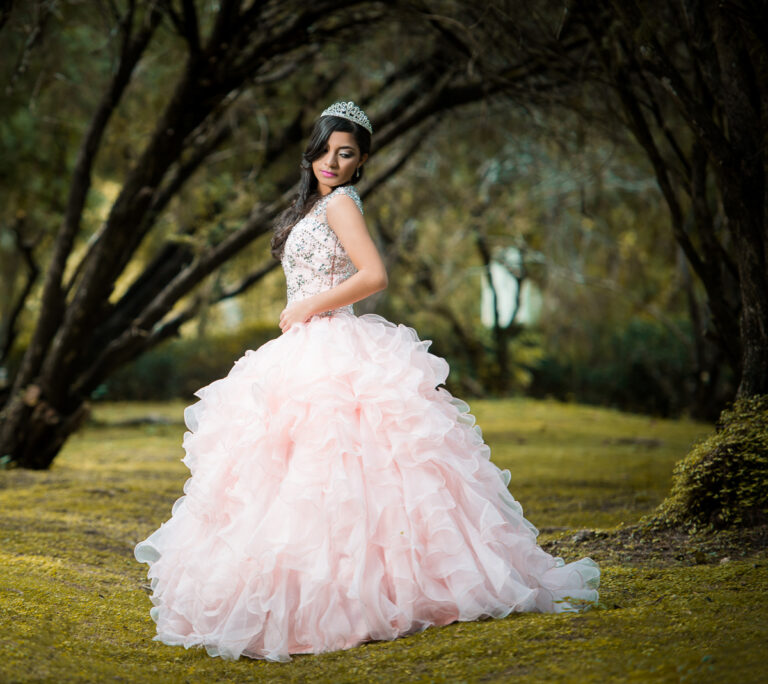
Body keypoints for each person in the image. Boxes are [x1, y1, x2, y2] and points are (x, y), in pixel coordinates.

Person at [134, 101, 600, 662]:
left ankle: (360, 594)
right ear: (313, 151)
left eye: (346, 154)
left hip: (331, 340)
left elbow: (373, 274)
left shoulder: (343, 204)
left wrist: (308, 306)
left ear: (360, 163)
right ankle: (316, 586)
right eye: (326, 150)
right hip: (304, 347)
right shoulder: (318, 204)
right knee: (298, 474)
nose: (332, 162)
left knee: (344, 469)